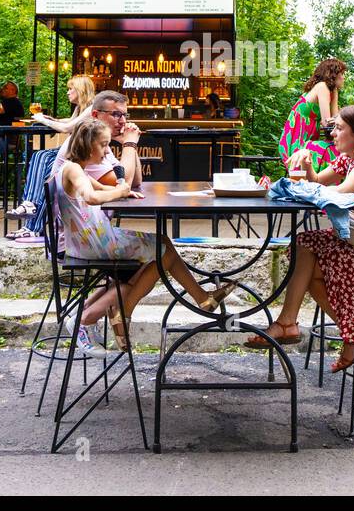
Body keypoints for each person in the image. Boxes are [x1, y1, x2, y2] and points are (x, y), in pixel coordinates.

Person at [249, 105, 354, 373]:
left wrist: (305, 186)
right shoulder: (350, 157)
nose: (333, 134)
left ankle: (335, 333)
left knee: (308, 268)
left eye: (339, 128)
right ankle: (302, 325)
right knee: (303, 245)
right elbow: (318, 180)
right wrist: (306, 164)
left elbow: (339, 193)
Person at [56, 119, 233, 356]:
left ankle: (195, 300)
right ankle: (106, 315)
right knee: (163, 249)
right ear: (89, 147)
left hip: (90, 241)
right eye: (104, 145)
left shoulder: (73, 167)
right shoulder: (73, 169)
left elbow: (99, 188)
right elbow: (91, 196)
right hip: (95, 243)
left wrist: (123, 190)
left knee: (157, 254)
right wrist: (120, 189)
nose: (108, 150)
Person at [51, 90, 143, 188]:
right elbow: (123, 184)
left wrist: (128, 143)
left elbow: (135, 182)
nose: (123, 121)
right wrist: (130, 143)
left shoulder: (99, 140)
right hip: (74, 203)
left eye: (124, 115)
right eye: (116, 114)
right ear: (95, 115)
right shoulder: (87, 142)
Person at [278, 57, 346, 172]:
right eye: (341, 73)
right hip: (296, 141)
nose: (343, 77)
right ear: (333, 74)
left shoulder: (333, 90)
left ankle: (330, 183)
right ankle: (325, 184)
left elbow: (335, 120)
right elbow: (326, 122)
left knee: (339, 148)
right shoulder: (322, 86)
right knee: (331, 149)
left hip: (309, 139)